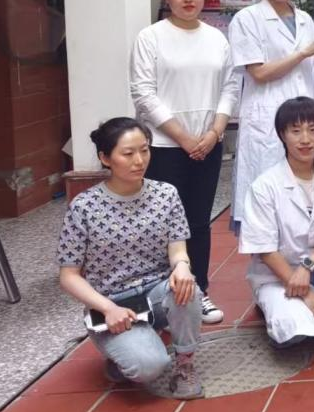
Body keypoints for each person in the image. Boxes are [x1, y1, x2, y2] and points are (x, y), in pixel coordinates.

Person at [56, 118, 204, 398]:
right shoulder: (83, 207)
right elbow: (68, 276)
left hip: (158, 292)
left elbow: (177, 249)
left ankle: (185, 365)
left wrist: (182, 266)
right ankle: (124, 355)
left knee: (188, 288)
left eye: (144, 150)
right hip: (112, 304)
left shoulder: (166, 194)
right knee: (149, 367)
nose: (139, 160)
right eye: (128, 153)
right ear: (105, 158)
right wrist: (107, 308)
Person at [130, 0, 240, 325]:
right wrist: (184, 137)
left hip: (207, 145)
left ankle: (198, 292)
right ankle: (163, 296)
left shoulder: (216, 38)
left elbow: (230, 87)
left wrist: (214, 132)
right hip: (164, 146)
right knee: (163, 223)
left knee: (198, 221)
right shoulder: (151, 37)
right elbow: (143, 93)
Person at [239, 97, 314, 348]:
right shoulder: (264, 186)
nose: (305, 139)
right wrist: (306, 292)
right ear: (282, 135)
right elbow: (265, 250)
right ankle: (291, 307)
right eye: (296, 131)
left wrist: (307, 267)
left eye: (312, 130)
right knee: (294, 336)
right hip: (277, 276)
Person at [228, 0, 314, 225]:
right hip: (267, 119)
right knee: (267, 201)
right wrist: (302, 53)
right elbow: (259, 72)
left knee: (304, 199)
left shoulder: (305, 19)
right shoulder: (247, 19)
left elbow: (312, 72)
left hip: (304, 118)